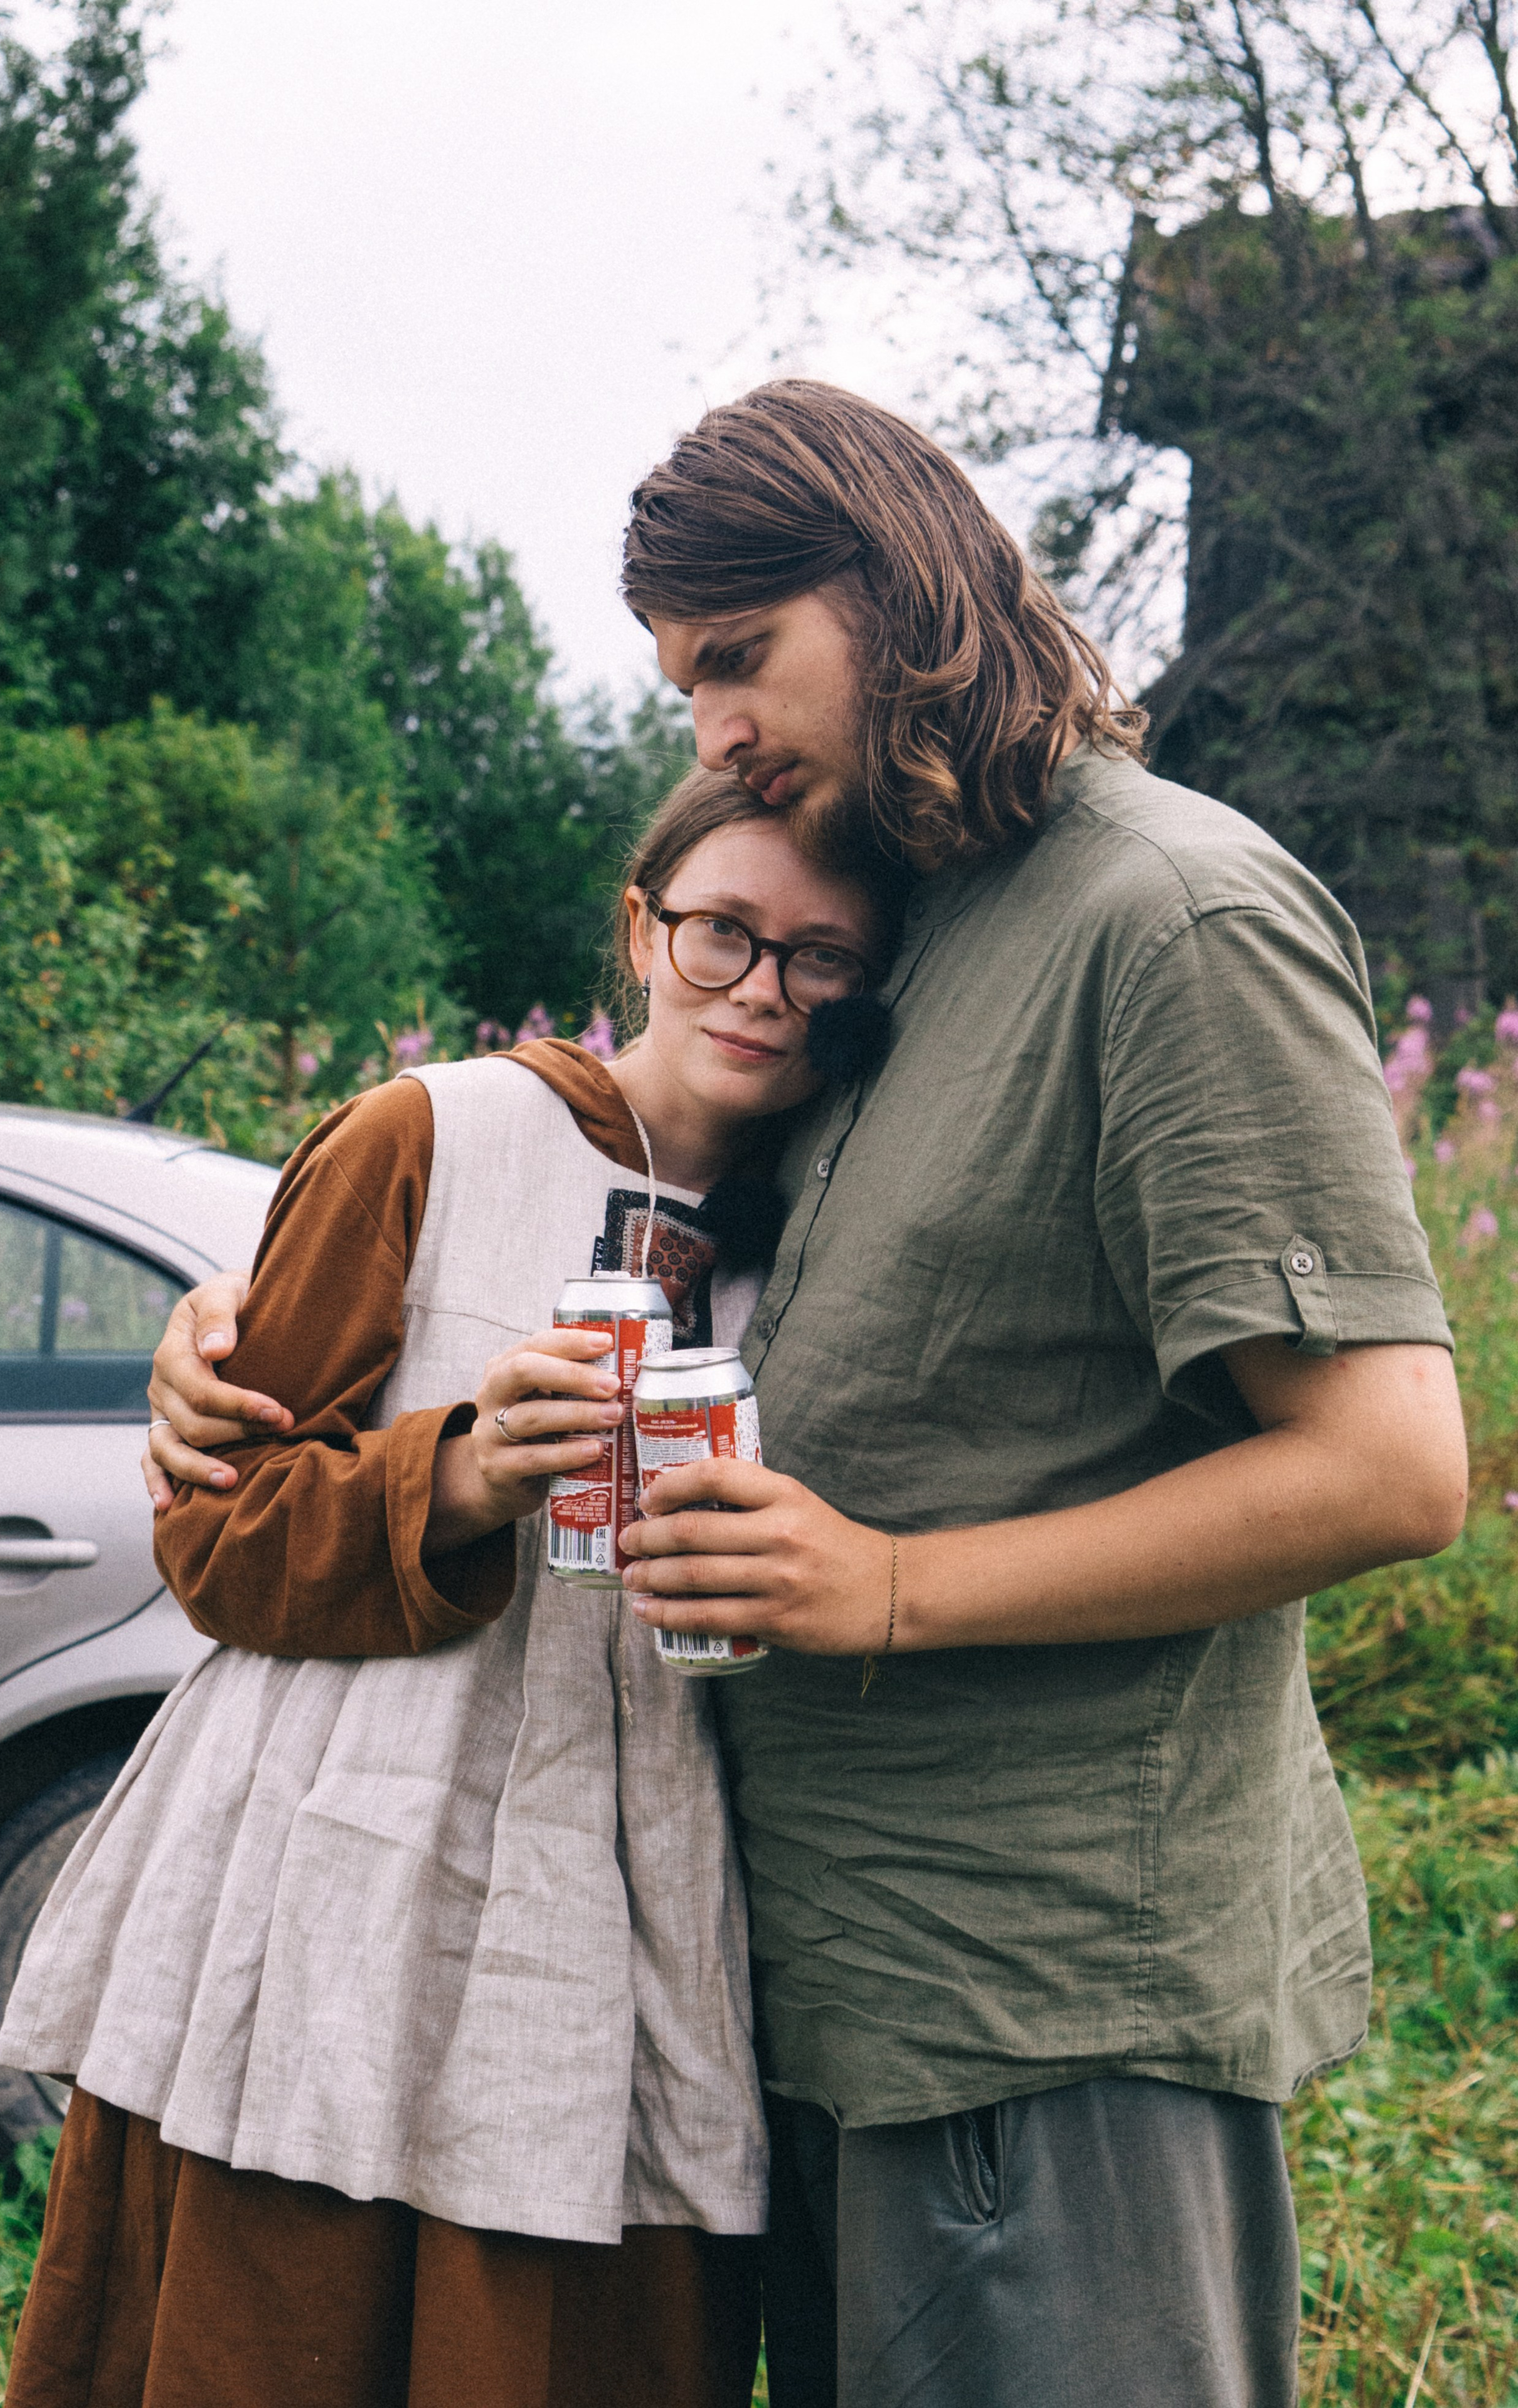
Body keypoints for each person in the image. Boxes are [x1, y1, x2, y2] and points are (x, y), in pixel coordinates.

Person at [146, 381, 1467, 2408]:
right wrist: (246, 1333)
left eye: (741, 657)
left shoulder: (1170, 915)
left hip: (1052, 2008)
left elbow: (1387, 1468)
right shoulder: (918, 928)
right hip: (823, 2008)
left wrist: (890, 1587)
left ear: (902, 582)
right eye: (687, 688)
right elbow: (632, 1203)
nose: (715, 732)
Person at [0, 766, 898, 2408]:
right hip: (345, 1865)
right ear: (641, 930)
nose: (763, 989)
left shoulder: (831, 1219)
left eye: (819, 957)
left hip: (627, 1883)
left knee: (565, 2338)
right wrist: (462, 1473)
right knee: (283, 2332)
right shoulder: (439, 1133)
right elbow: (214, 1536)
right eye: (724, 935)